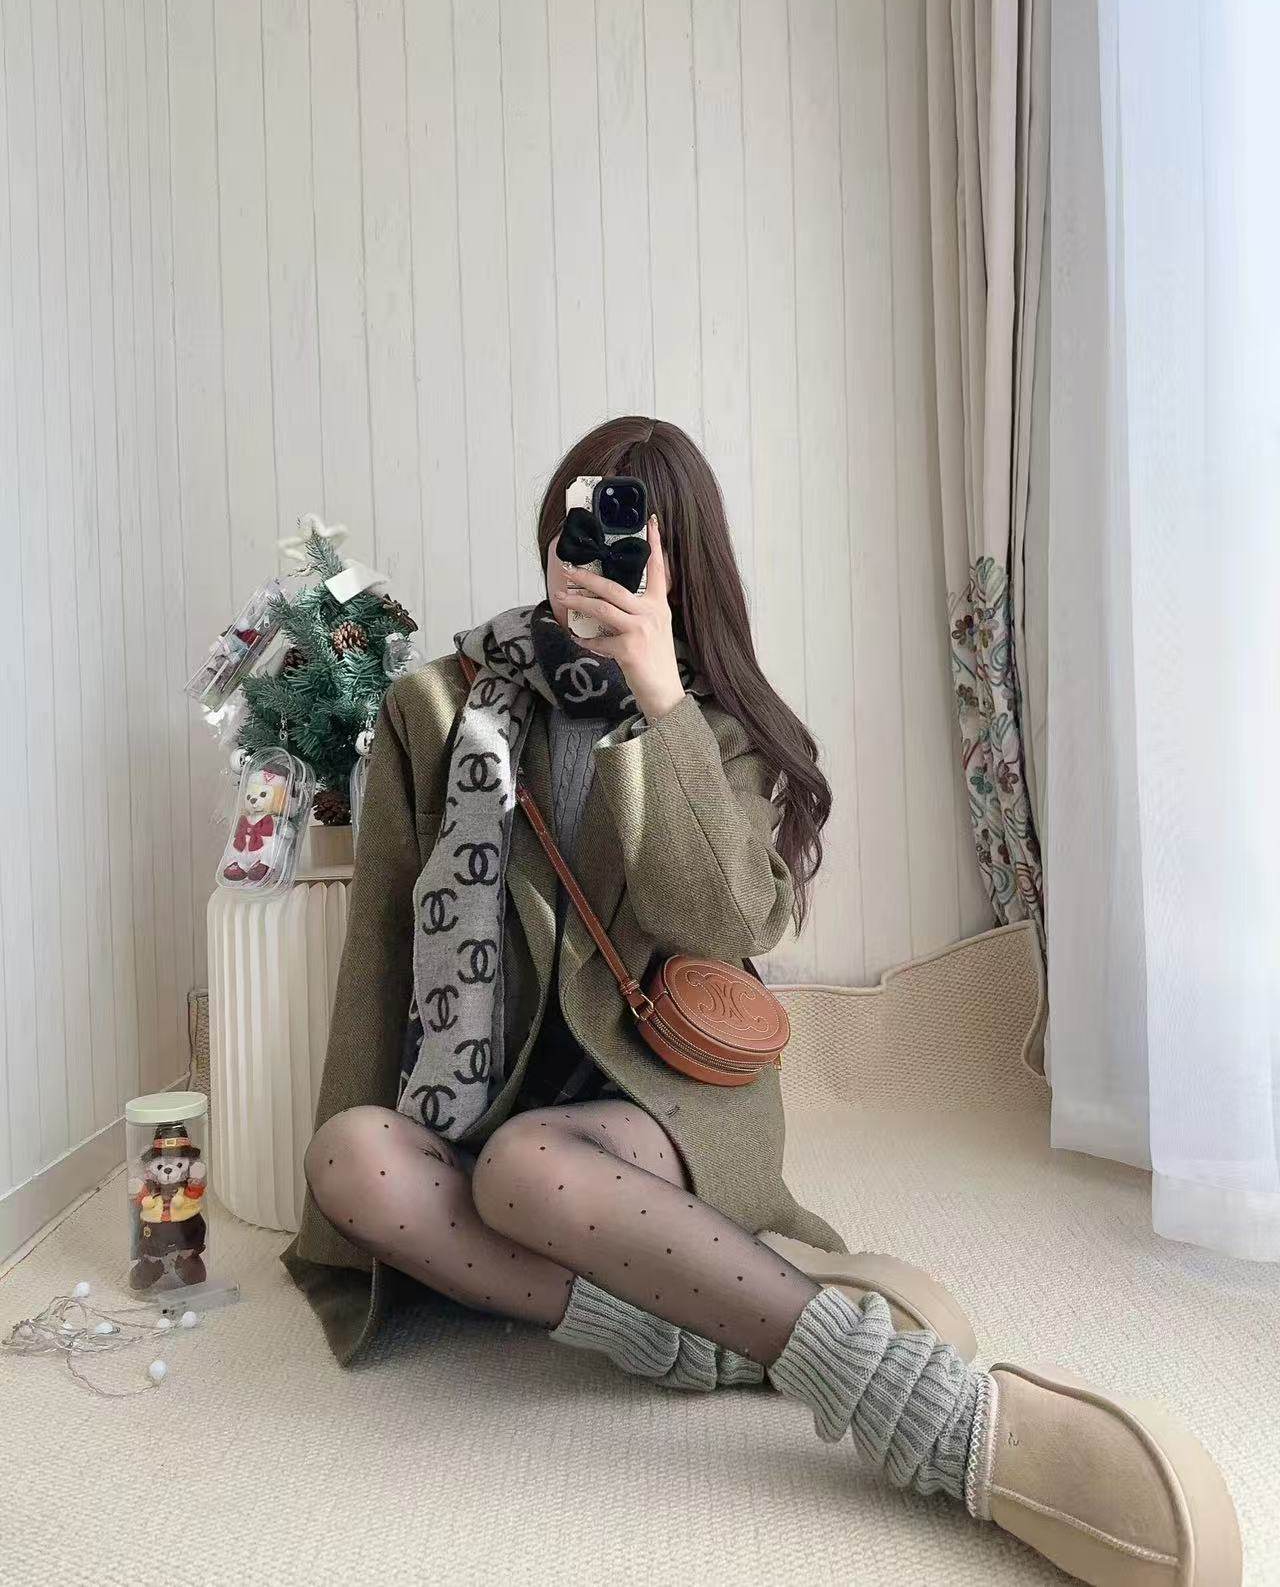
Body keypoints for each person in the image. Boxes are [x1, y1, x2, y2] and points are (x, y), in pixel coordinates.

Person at [284, 418, 1239, 1586]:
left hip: (661, 1096)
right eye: (581, 524)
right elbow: (384, 944)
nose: (596, 555)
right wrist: (346, 1240)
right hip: (484, 1097)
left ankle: (919, 1408)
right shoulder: (435, 706)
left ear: (678, 563)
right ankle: (708, 1337)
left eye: (632, 536)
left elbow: (721, 917)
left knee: (526, 1172)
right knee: (351, 1161)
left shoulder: (717, 728)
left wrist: (656, 701)